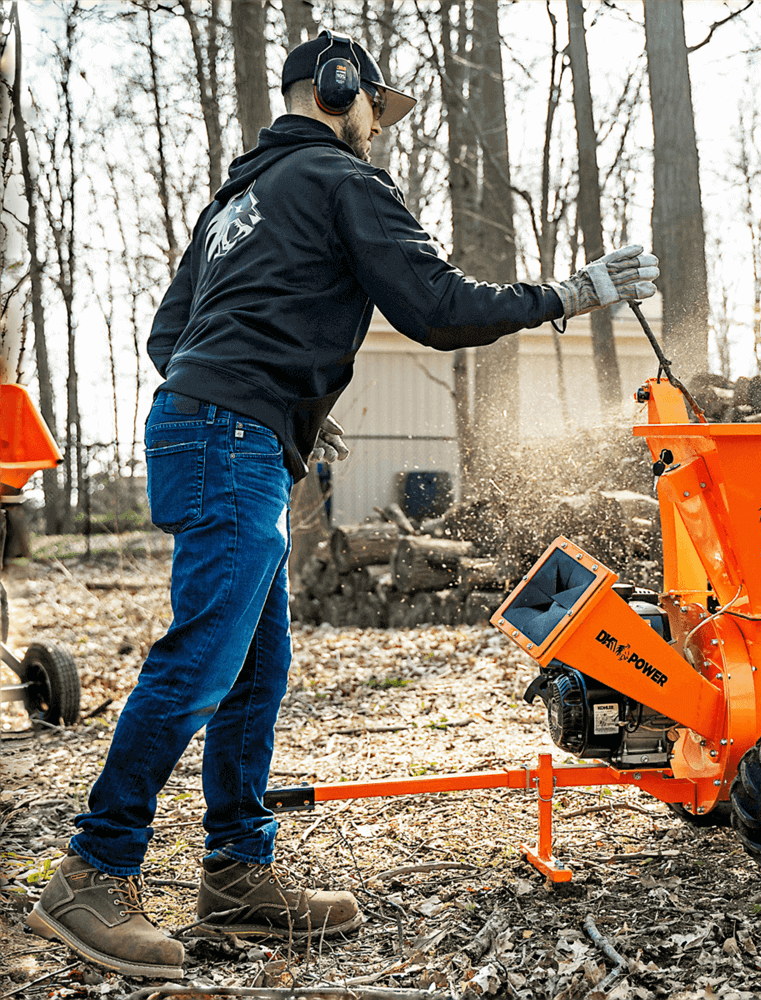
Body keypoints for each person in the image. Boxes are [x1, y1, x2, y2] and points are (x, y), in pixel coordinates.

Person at [26, 29, 658, 977]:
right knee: (202, 659)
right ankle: (91, 871)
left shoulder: (236, 201)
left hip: (217, 433)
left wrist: (263, 397)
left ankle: (238, 872)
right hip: (232, 444)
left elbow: (170, 336)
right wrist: (569, 293)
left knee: (254, 668)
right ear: (338, 90)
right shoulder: (341, 179)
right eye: (374, 109)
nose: (378, 129)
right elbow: (437, 307)